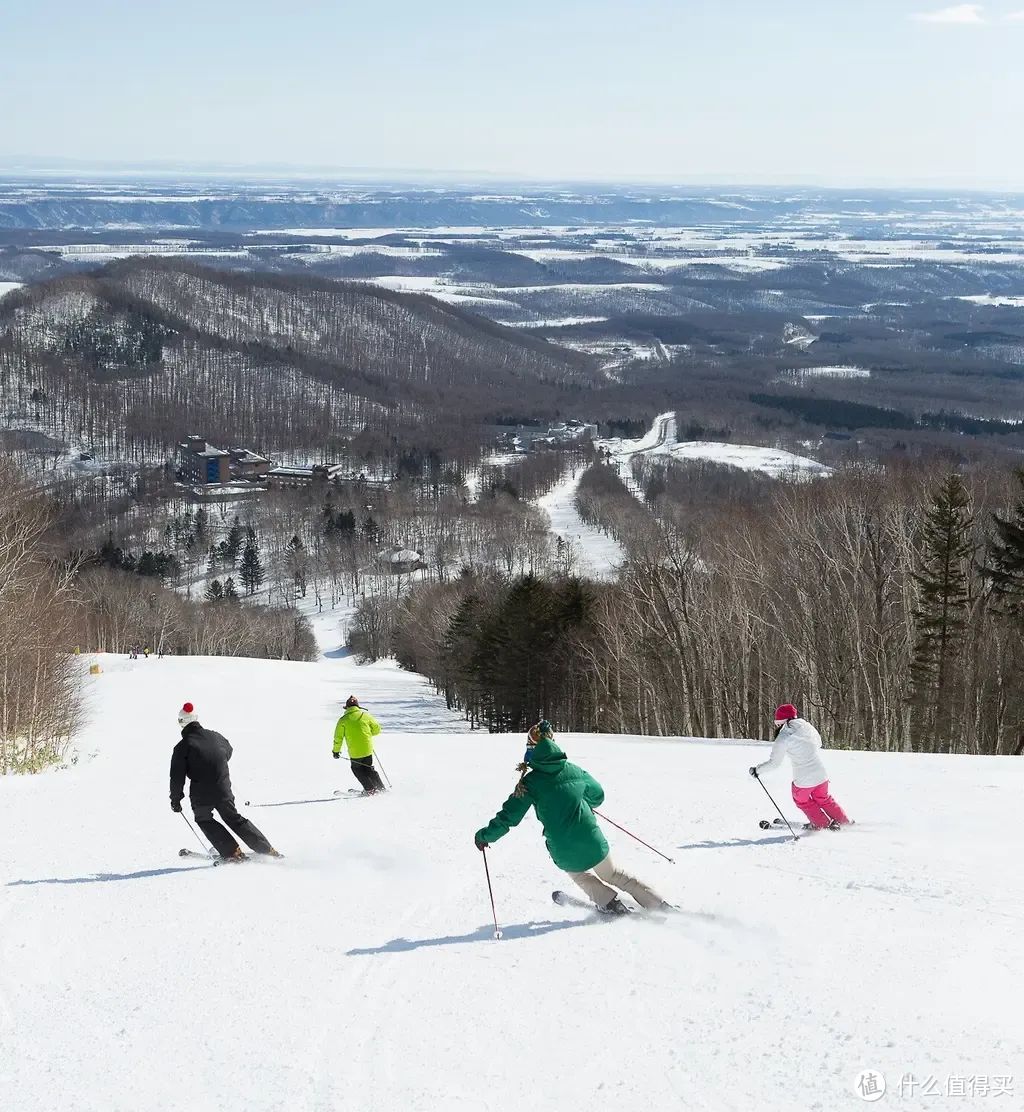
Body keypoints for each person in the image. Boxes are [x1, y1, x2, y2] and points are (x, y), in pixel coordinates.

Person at [474, 720, 671, 915]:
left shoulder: (530, 783)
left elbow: (509, 817)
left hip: (563, 848)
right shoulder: (574, 770)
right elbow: (598, 795)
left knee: (579, 874)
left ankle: (609, 902)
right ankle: (658, 904)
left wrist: (485, 836)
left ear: (531, 750)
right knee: (613, 874)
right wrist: (581, 800)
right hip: (592, 839)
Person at [169, 702, 282, 860]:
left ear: (182, 723)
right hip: (223, 788)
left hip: (201, 794)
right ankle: (267, 849)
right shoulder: (216, 736)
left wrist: (175, 799)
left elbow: (177, 776)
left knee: (204, 818)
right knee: (233, 818)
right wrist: (216, 763)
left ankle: (232, 852)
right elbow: (228, 750)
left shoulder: (182, 747)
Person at [750, 703, 851, 830]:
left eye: (777, 723)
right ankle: (843, 821)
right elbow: (818, 743)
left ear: (782, 722)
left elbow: (774, 763)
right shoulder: (806, 726)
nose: (776, 726)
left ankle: (823, 824)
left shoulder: (783, 738)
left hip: (803, 779)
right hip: (821, 774)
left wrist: (757, 770)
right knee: (824, 798)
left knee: (802, 800)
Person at [332, 696, 385, 794]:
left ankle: (370, 789)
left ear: (347, 708)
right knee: (368, 768)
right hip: (367, 749)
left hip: (355, 752)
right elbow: (377, 729)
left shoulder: (343, 720)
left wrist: (336, 751)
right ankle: (381, 788)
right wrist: (367, 735)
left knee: (357, 769)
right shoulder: (366, 715)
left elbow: (338, 738)